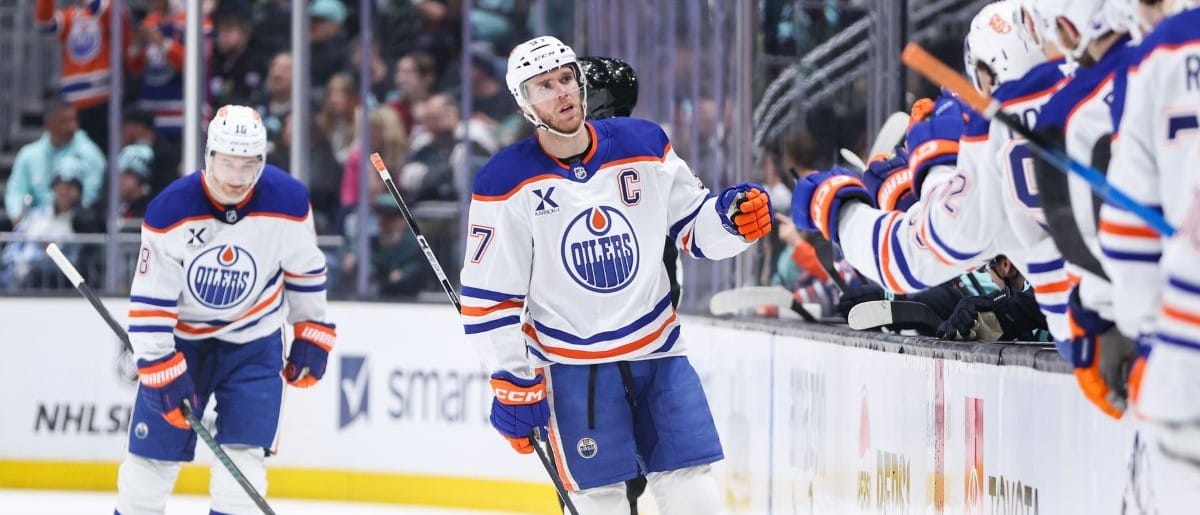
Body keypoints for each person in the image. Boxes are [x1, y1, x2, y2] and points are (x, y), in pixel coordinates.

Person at [460, 36, 772, 513]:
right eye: (545, 86)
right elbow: (489, 297)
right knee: (599, 498)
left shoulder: (644, 144)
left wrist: (732, 222)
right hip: (570, 367)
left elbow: (694, 228)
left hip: (659, 351)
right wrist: (512, 377)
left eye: (566, 79)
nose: (562, 92)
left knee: (689, 480)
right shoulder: (505, 180)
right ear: (524, 102)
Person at [790, 0, 1074, 340]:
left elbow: (910, 257)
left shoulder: (998, 137)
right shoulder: (1115, 88)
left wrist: (839, 208)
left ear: (986, 76)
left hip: (1103, 362)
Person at [114, 105, 334, 514]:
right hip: (183, 344)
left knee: (243, 464)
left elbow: (305, 270)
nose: (236, 178)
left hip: (254, 343)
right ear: (209, 157)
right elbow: (150, 301)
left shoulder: (287, 201)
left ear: (262, 162)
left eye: (247, 166)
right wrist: (160, 366)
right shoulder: (170, 211)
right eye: (227, 164)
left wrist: (310, 329)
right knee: (149, 467)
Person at [4, 99, 106, 223]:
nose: (71, 126)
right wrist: (17, 215)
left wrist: (61, 215)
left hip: (73, 224)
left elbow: (91, 196)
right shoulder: (28, 154)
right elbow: (16, 190)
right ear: (49, 124)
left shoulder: (90, 154)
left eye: (74, 120)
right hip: (34, 224)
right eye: (65, 121)